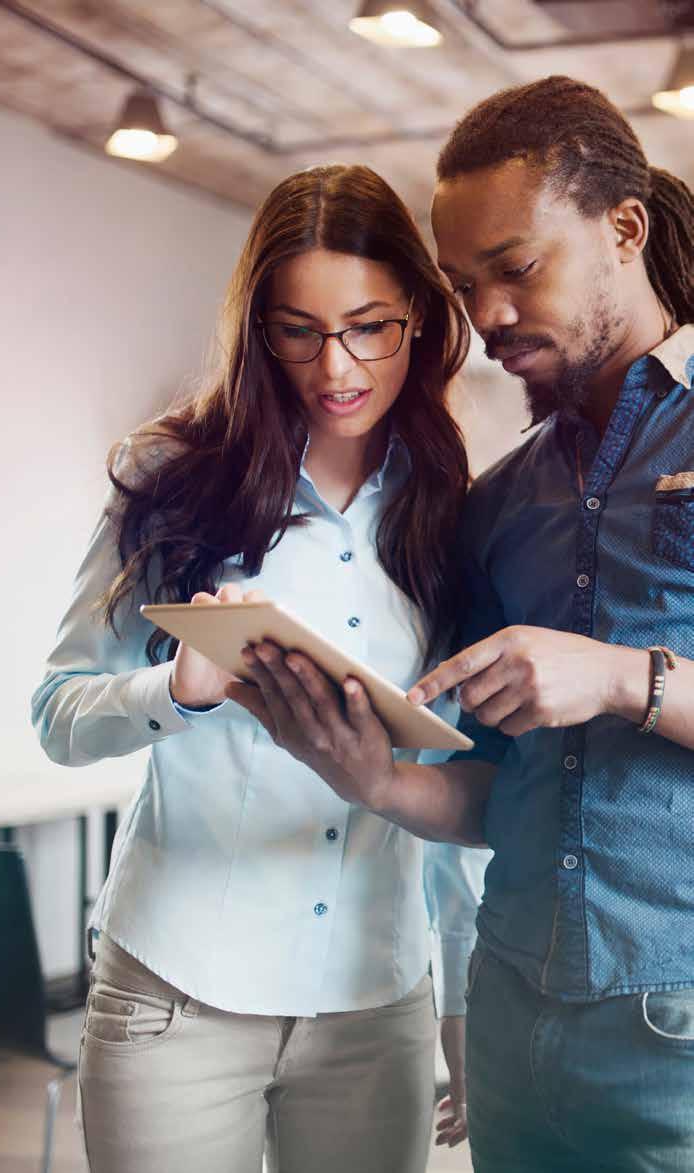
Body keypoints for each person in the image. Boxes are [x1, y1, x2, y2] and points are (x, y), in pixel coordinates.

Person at [230, 78, 694, 1172]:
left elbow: (615, 685)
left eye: (515, 268)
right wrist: (372, 778)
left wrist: (627, 680)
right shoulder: (497, 504)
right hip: (511, 1011)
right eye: (460, 282)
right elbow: (500, 792)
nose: (483, 314)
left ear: (620, 229)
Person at [31, 163, 490, 1173]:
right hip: (175, 997)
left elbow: (457, 782)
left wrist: (459, 1001)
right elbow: (58, 714)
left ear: (416, 315)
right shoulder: (172, 475)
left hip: (372, 1008)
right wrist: (178, 691)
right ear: (256, 329)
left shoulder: (453, 506)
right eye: (297, 330)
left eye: (368, 326)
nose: (336, 365)